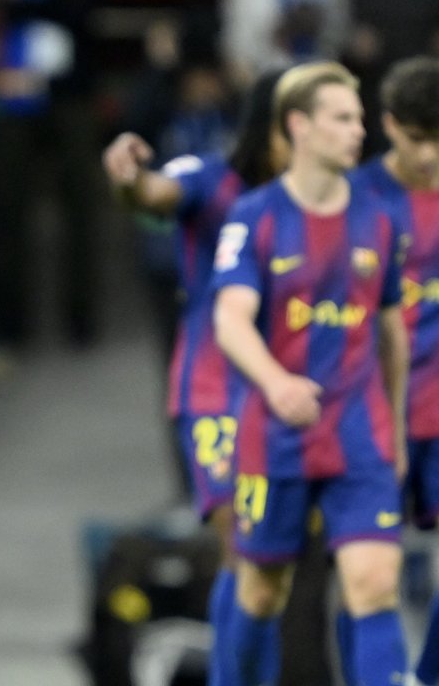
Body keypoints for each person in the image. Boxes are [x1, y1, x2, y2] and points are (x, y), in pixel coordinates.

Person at [212, 61, 410, 686]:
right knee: (261, 591)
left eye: (360, 118)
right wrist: (276, 384)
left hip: (360, 435)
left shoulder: (380, 218)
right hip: (277, 437)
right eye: (343, 118)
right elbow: (230, 319)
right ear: (299, 125)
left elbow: (391, 333)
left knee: (374, 584)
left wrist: (395, 431)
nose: (359, 131)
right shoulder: (255, 216)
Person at [103, 71, 287, 685]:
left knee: (306, 572)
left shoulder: (336, 201)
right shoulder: (210, 176)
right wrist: (129, 178)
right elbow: (155, 193)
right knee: (246, 555)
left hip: (296, 396)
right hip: (218, 391)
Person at [348, 55, 439, 686]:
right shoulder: (354, 200)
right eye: (415, 138)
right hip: (371, 418)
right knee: (367, 580)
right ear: (387, 126)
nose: (429, 154)